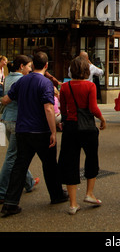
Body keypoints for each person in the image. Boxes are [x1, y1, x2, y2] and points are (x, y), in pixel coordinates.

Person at [1, 52, 68, 217]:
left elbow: (6, 99)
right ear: (46, 66)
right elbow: (48, 108)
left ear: (33, 65)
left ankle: (10, 203)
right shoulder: (45, 83)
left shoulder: (22, 80)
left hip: (23, 129)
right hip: (41, 130)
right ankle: (56, 195)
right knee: (50, 164)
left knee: (19, 166)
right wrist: (53, 131)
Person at [58, 56, 106, 215]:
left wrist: (64, 121)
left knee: (70, 162)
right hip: (87, 126)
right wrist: (102, 118)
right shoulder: (90, 86)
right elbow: (93, 108)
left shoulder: (65, 86)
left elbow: (63, 109)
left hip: (71, 126)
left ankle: (72, 204)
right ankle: (89, 194)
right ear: (86, 70)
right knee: (91, 158)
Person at [0, 55, 39, 203]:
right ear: (21, 66)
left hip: (5, 119)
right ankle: (2, 190)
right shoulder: (21, 80)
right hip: (17, 121)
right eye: (29, 66)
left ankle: (28, 182)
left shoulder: (8, 78)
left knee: (18, 154)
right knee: (12, 156)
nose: (30, 70)